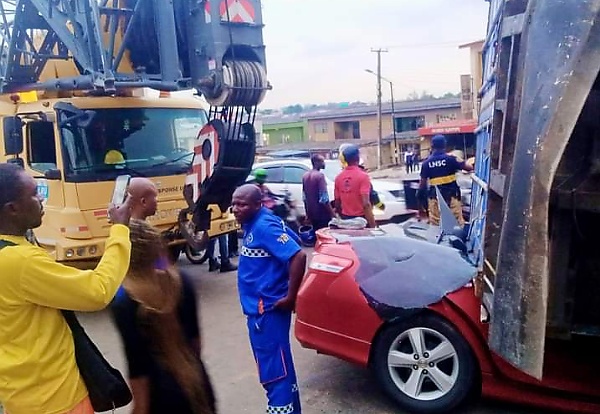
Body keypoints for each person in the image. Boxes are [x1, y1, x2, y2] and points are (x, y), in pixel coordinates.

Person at [0, 163, 132, 414]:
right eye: (33, 194)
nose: (41, 199)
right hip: (56, 399)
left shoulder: (11, 250)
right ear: (13, 209)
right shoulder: (19, 261)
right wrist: (120, 230)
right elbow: (98, 290)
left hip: (20, 395)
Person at [111, 178, 217, 414]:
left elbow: (138, 371)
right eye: (155, 197)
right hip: (195, 386)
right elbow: (194, 344)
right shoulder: (180, 280)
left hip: (164, 397)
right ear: (142, 200)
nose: (158, 202)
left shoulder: (125, 301)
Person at [231, 184, 307, 414]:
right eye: (234, 203)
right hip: (263, 310)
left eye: (242, 204)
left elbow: (298, 255)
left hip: (266, 313)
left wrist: (290, 296)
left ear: (258, 204)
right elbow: (293, 240)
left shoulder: (263, 227)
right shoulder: (260, 222)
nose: (235, 209)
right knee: (282, 366)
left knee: (274, 373)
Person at [418, 134, 473, 226]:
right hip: (452, 197)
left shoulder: (426, 163)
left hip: (434, 198)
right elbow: (469, 167)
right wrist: (458, 158)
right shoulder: (451, 159)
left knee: (435, 224)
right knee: (457, 223)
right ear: (445, 145)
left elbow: (422, 185)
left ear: (432, 146)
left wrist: (420, 198)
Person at [334, 144, 376, 228]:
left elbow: (337, 203)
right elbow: (366, 204)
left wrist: (342, 218)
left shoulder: (338, 178)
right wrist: (372, 225)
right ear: (358, 158)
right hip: (361, 221)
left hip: (346, 220)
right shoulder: (363, 176)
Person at [302, 154, 335, 230]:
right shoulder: (320, 176)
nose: (324, 163)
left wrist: (308, 215)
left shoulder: (305, 176)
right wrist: (333, 214)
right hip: (322, 214)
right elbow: (324, 199)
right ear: (316, 162)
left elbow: (304, 198)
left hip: (312, 214)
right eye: (322, 161)